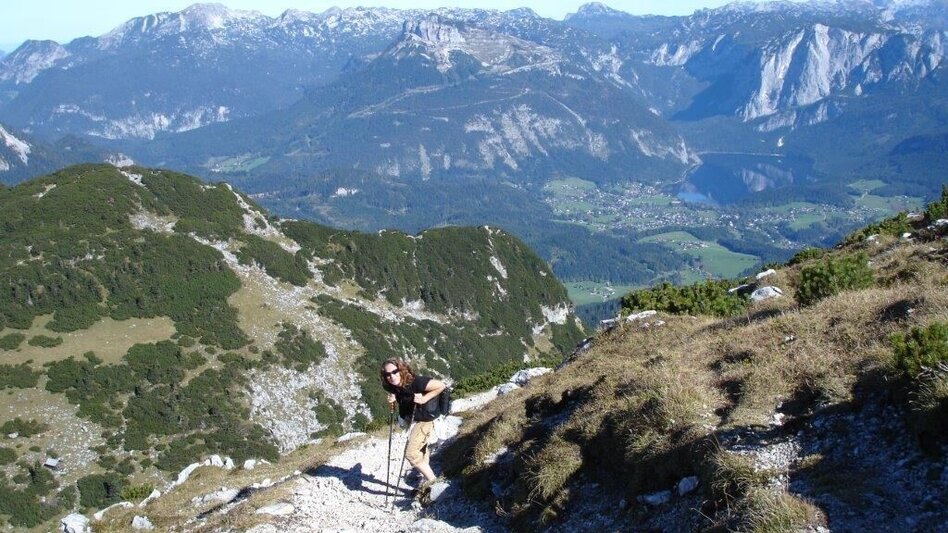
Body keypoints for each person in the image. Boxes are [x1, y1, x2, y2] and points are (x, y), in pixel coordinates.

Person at [380, 358, 445, 484]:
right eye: (387, 374)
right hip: (414, 420)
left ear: (401, 370)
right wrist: (393, 399)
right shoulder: (393, 387)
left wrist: (424, 398)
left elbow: (441, 385)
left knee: (411, 453)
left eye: (394, 371)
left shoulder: (416, 382)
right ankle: (425, 477)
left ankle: (433, 481)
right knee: (420, 449)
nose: (391, 376)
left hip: (426, 419)